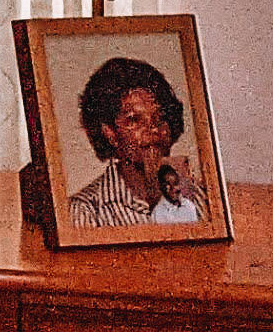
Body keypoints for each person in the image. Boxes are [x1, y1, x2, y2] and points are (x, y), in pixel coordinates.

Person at [67, 55, 200, 227]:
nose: (153, 129)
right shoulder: (87, 210)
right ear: (110, 133)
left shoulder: (199, 197)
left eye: (159, 118)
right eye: (134, 120)